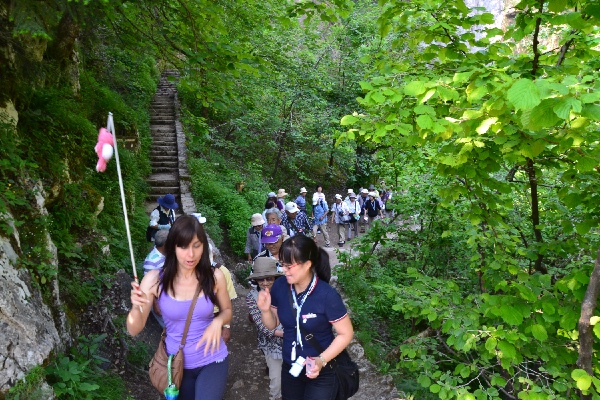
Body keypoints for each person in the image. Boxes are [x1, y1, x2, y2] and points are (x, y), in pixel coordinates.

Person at [127, 215, 232, 400]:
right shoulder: (154, 280)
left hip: (212, 359)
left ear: (204, 246)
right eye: (183, 246)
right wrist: (136, 308)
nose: (190, 254)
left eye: (196, 245)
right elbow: (134, 329)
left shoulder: (214, 276)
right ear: (173, 247)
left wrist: (218, 322)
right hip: (176, 365)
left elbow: (227, 311)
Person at [257, 235, 353, 400]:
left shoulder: (327, 295)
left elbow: (346, 334)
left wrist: (321, 360)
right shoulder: (280, 286)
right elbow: (272, 324)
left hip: (322, 369)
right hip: (291, 367)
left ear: (307, 264)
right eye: (282, 265)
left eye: (289, 266)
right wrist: (265, 311)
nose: (283, 270)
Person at [246, 257, 285, 400]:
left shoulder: (287, 290)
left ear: (275, 276)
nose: (265, 282)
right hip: (271, 344)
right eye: (260, 279)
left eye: (269, 278)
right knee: (276, 379)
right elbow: (262, 326)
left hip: (292, 341)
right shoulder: (252, 297)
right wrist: (287, 334)